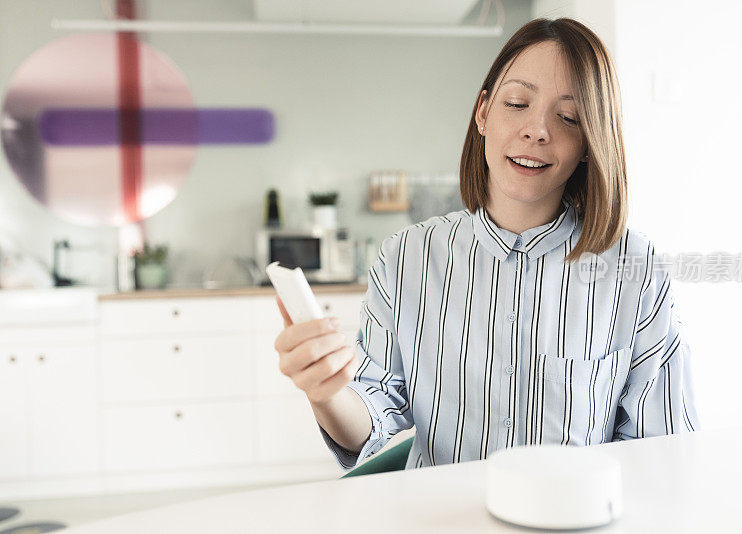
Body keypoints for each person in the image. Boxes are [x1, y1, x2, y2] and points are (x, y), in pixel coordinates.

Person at [273, 17, 700, 471]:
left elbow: (662, 452)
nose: (538, 130)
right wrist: (327, 392)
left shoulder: (634, 267)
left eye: (569, 116)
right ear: (483, 113)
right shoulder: (406, 257)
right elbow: (377, 423)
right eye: (517, 103)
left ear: (589, 144)